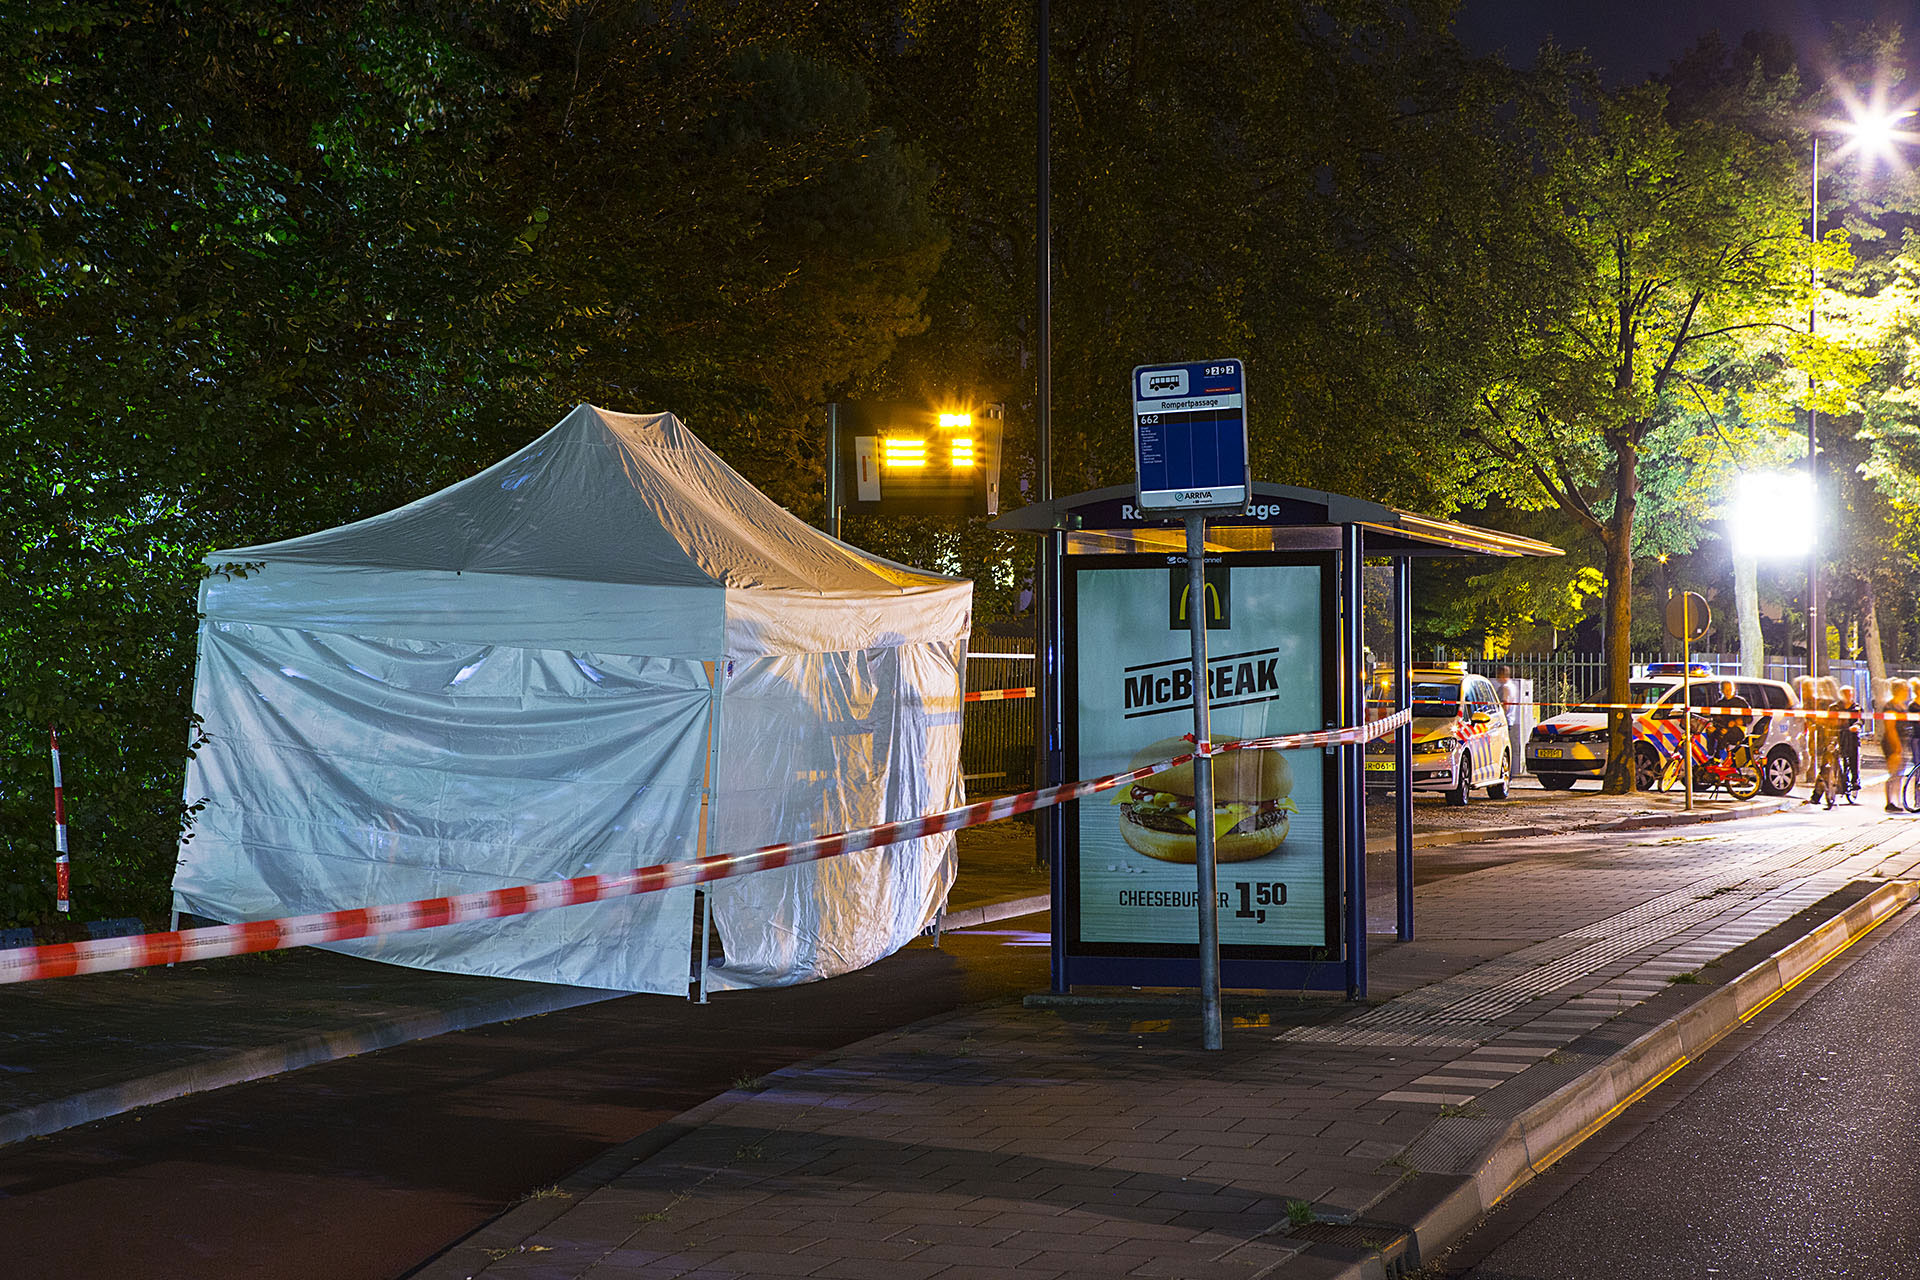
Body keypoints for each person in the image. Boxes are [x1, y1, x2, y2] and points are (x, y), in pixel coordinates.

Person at [1883, 678, 1910, 812]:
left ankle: (1897, 800)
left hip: (1902, 740)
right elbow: (1890, 728)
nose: (1907, 692)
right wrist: (1896, 746)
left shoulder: (1902, 705)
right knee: (1893, 772)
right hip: (1893, 742)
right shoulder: (1890, 707)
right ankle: (1890, 801)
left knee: (1900, 773)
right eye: (1905, 690)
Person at [1836, 684, 1863, 804]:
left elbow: (1860, 720)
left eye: (1850, 694)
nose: (1848, 696)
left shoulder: (1856, 708)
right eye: (1846, 694)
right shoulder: (1834, 707)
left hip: (1851, 738)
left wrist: (1856, 726)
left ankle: (1855, 781)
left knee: (1853, 759)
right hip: (1838, 737)